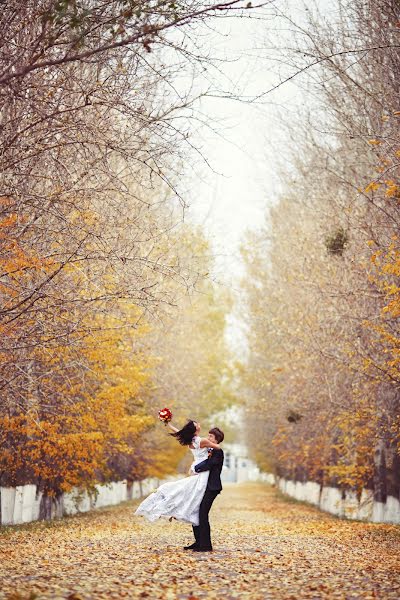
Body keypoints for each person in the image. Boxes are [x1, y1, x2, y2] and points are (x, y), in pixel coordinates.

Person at [134, 420, 221, 527]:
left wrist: (169, 425)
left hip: (196, 466)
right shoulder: (201, 440)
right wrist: (211, 447)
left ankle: (174, 510)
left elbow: (179, 432)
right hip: (202, 470)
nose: (199, 424)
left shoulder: (190, 440)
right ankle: (178, 511)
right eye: (197, 424)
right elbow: (218, 447)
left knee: (184, 491)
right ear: (195, 429)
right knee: (193, 494)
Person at [184, 427, 224, 552]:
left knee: (202, 513)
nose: (208, 438)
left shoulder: (218, 452)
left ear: (217, 440)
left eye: (211, 437)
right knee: (195, 511)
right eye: (208, 435)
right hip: (203, 485)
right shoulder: (209, 449)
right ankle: (199, 541)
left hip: (212, 487)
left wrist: (195, 468)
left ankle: (206, 545)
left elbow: (209, 464)